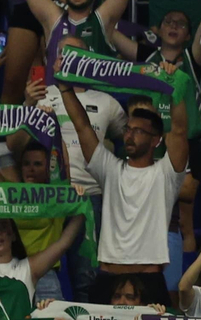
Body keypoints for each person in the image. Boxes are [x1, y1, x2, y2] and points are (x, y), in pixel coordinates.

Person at [58, 74, 188, 306]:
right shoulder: (109, 168)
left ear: (156, 139)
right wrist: (66, 88)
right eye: (128, 129)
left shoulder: (166, 174)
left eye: (138, 131)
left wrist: (175, 90)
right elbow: (82, 126)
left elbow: (178, 131)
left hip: (148, 279)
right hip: (108, 277)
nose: (129, 135)